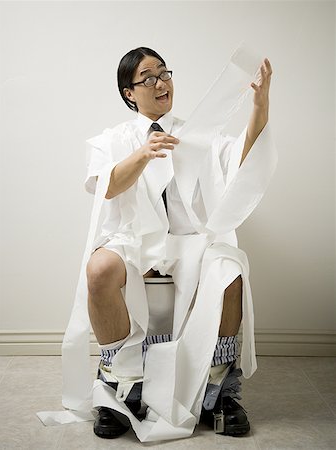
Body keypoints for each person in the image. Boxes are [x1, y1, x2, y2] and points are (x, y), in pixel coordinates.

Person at [84, 46, 272, 440]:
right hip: (132, 242)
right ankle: (121, 385)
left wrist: (259, 104)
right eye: (148, 78)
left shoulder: (197, 134)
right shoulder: (112, 139)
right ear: (129, 93)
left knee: (229, 268)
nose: (160, 83)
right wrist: (143, 153)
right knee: (99, 268)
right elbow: (106, 186)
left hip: (188, 243)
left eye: (164, 73)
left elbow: (241, 158)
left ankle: (219, 389)